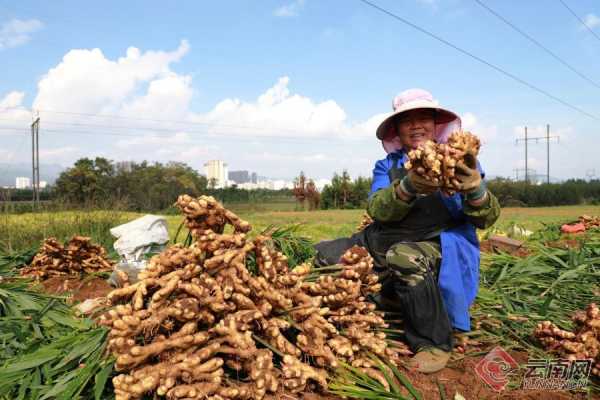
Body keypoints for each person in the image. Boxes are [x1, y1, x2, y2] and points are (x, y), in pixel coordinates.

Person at [314, 89, 500, 373]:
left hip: (438, 244)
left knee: (404, 256)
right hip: (382, 240)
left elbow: (486, 218)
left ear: (435, 123)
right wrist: (407, 187)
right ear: (397, 130)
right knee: (324, 254)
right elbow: (377, 210)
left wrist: (475, 188)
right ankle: (389, 301)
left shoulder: (460, 160)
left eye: (423, 117)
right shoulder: (387, 166)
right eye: (406, 120)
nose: (415, 125)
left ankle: (434, 342)